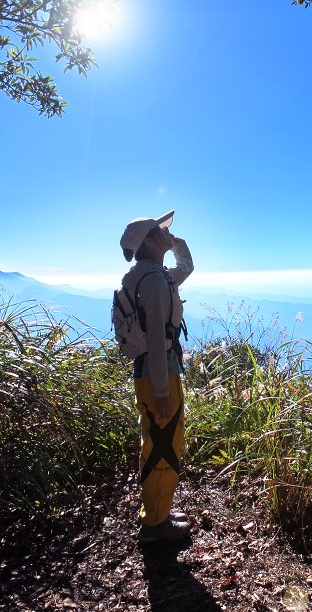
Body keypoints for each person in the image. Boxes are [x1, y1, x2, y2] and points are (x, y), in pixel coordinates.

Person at [119, 210, 194, 543]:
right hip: (158, 372)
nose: (168, 231)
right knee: (164, 446)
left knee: (157, 442)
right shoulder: (153, 282)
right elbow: (154, 341)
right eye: (161, 231)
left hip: (152, 371)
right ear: (148, 240)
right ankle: (155, 526)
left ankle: (158, 511)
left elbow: (187, 268)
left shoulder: (151, 275)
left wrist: (177, 243)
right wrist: (162, 391)